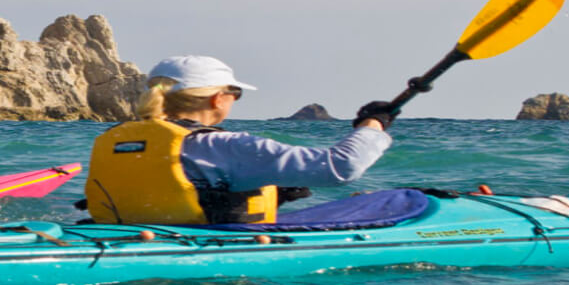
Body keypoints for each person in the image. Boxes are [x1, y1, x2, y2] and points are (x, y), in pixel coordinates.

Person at [85, 55, 394, 225]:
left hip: (131, 236)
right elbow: (340, 167)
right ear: (219, 99)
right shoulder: (225, 145)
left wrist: (260, 193)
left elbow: (173, 185)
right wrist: (373, 124)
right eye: (235, 94)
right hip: (203, 246)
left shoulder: (113, 139)